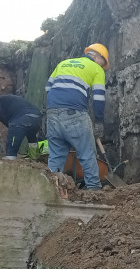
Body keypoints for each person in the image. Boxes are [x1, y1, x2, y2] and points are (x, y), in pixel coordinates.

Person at [44, 43, 109, 190]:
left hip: (52, 112)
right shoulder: (96, 68)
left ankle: (51, 190)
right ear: (98, 57)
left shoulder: (63, 63)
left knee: (56, 157)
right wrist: (99, 121)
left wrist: (50, 112)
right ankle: (94, 191)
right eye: (103, 63)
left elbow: (48, 88)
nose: (102, 66)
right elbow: (99, 97)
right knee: (86, 153)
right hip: (74, 113)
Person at [0, 94, 44, 159]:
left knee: (12, 134)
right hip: (37, 117)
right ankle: (34, 157)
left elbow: (1, 116)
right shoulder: (7, 101)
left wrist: (10, 127)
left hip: (24, 117)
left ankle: (10, 157)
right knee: (32, 137)